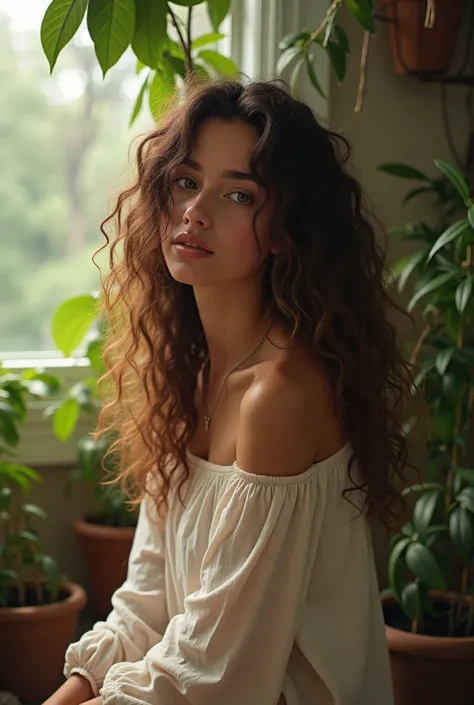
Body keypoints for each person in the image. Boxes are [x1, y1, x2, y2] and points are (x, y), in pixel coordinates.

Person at [44, 78, 413, 705]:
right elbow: (148, 606)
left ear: (284, 229)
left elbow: (213, 674)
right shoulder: (188, 375)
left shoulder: (281, 397)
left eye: (238, 194)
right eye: (186, 182)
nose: (196, 211)